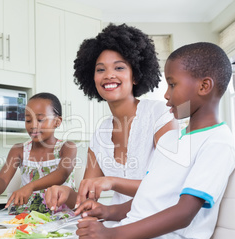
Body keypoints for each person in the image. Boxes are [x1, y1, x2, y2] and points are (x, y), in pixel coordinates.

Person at [75, 42, 235, 239]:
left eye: (172, 85)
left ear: (204, 86)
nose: (166, 94)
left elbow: (184, 213)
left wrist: (111, 236)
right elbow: (148, 199)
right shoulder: (173, 140)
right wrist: (107, 211)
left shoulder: (218, 142)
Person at [45, 23, 176, 211]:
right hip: (116, 225)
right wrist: (66, 193)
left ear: (135, 76)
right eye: (100, 70)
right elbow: (86, 200)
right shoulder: (101, 134)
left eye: (119, 68)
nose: (109, 75)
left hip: (158, 229)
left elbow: (167, 186)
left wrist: (112, 182)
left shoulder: (159, 114)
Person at [0, 92, 77, 214]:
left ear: (57, 122)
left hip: (61, 216)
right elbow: (2, 179)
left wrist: (30, 186)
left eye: (40, 120)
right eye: (28, 120)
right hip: (26, 216)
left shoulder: (67, 147)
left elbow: (61, 174)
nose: (33, 125)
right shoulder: (19, 150)